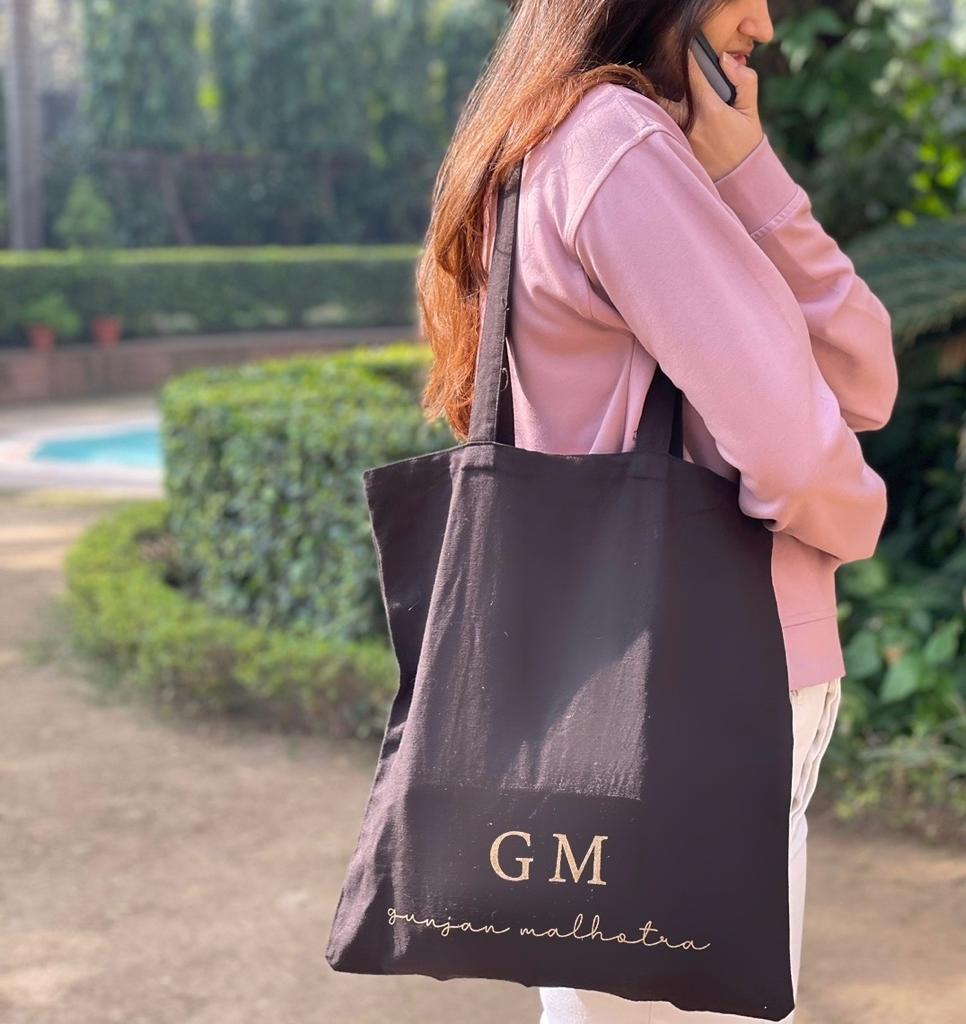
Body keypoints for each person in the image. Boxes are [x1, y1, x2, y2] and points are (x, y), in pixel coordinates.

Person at [415, 1, 899, 1021]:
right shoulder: (624, 148)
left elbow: (862, 376)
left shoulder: (541, 142)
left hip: (581, 671)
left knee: (593, 997)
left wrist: (748, 172)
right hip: (709, 676)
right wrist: (859, 519)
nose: (763, 24)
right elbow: (800, 448)